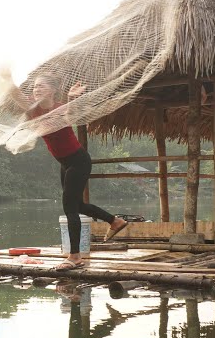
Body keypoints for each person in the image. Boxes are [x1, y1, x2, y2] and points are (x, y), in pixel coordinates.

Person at [9, 76, 127, 271]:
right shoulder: (33, 109)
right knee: (78, 205)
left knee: (70, 209)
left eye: (42, 85)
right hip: (65, 164)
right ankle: (115, 221)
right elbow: (15, 94)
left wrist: (72, 98)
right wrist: (5, 75)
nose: (36, 89)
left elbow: (71, 112)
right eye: (35, 86)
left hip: (78, 162)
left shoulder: (61, 107)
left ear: (52, 90)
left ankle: (75, 257)